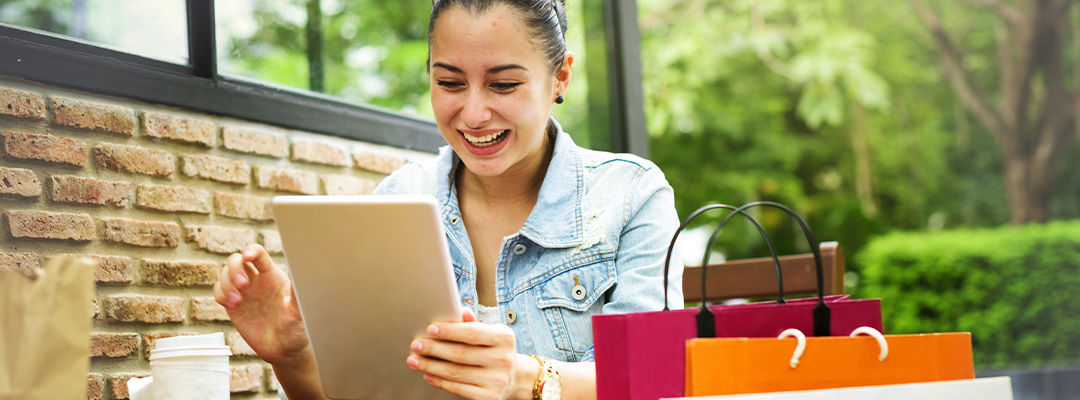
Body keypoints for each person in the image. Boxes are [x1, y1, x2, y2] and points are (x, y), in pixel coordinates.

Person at [213, 0, 683, 399]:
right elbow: (360, 391)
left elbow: (656, 375)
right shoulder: (397, 200)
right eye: (450, 83)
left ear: (559, 77)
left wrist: (526, 378)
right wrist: (292, 356)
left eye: (503, 84)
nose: (474, 114)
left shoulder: (631, 195)